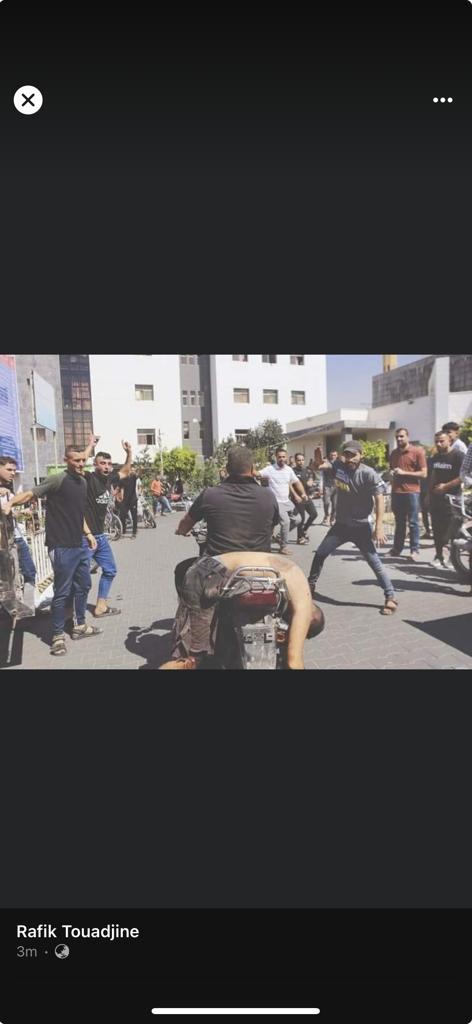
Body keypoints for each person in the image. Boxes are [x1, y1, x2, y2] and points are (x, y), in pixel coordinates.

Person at [160, 445, 320, 669]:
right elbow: (272, 524)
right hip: (264, 572)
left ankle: (191, 643)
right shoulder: (267, 495)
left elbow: (186, 522)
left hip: (217, 573)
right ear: (253, 469)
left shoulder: (210, 494)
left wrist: (181, 530)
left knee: (183, 572)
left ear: (226, 469)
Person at [4, 446, 101, 656]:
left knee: (83, 585)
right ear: (66, 460)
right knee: (62, 591)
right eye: (76, 460)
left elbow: (78, 513)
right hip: (61, 546)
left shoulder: (82, 482)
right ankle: (57, 636)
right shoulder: (57, 479)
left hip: (79, 544)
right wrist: (10, 502)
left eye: (83, 460)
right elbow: (30, 493)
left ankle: (80, 625)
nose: (81, 464)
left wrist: (88, 534)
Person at [162, 550, 325, 671]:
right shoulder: (304, 603)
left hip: (216, 575)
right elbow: (294, 662)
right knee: (192, 659)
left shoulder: (294, 583)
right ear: (309, 621)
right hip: (204, 575)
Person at [308, 442, 398, 615]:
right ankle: (310, 584)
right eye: (347, 455)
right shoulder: (338, 466)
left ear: (361, 455)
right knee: (320, 554)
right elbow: (319, 466)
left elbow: (379, 499)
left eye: (353, 455)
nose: (350, 459)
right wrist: (318, 454)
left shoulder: (368, 473)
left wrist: (379, 527)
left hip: (361, 527)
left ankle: (390, 596)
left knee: (374, 562)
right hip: (341, 526)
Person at [82, 437, 133, 618]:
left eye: (109, 464)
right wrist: (91, 446)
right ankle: (71, 614)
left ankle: (101, 606)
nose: (106, 466)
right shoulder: (89, 478)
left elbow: (125, 471)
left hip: (100, 536)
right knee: (80, 578)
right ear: (95, 465)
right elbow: (78, 466)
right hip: (86, 537)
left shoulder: (110, 479)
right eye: (102, 463)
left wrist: (129, 453)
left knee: (110, 570)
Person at [0, 456, 37, 605]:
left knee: (29, 572)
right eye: (9, 469)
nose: (13, 473)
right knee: (8, 579)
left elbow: (9, 513)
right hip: (4, 542)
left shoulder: (8, 491)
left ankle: (28, 606)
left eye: (14, 470)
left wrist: (21, 512)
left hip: (16, 538)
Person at [388, 428, 427, 562]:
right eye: (397, 437)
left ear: (408, 437)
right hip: (396, 492)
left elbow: (424, 473)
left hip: (412, 492)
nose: (399, 439)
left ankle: (414, 550)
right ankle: (396, 549)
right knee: (399, 522)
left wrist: (404, 473)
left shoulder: (417, 451)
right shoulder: (393, 453)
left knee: (413, 523)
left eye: (401, 436)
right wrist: (391, 473)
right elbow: (391, 469)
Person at [259, 448, 305, 554]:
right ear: (276, 457)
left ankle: (280, 536)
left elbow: (296, 482)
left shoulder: (289, 470)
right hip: (276, 502)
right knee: (286, 522)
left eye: (283, 457)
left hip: (287, 501)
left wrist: (302, 493)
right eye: (279, 457)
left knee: (298, 519)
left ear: (286, 457)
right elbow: (258, 473)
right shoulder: (270, 469)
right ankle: (283, 547)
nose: (282, 459)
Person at [429, 431, 464, 569]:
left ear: (449, 441)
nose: (438, 444)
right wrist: (428, 494)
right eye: (436, 441)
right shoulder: (436, 457)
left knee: (453, 530)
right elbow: (433, 475)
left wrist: (446, 486)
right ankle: (439, 556)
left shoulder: (458, 456)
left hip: (453, 500)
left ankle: (452, 558)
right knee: (437, 529)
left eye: (441, 441)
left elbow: (463, 476)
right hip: (436, 499)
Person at [290, 453, 318, 545]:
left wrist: (312, 485)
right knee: (301, 518)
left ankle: (304, 530)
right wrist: (295, 495)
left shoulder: (308, 471)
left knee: (314, 514)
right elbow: (290, 485)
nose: (301, 462)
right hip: (298, 498)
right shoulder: (292, 471)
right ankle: (299, 538)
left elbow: (312, 481)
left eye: (302, 460)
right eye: (299, 460)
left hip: (307, 497)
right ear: (295, 461)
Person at [118, 466, 140, 538]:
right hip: (125, 501)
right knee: (122, 515)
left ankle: (134, 533)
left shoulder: (133, 477)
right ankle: (123, 531)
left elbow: (138, 474)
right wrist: (120, 497)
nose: (131, 471)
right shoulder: (122, 479)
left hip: (133, 500)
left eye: (133, 470)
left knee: (134, 516)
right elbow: (121, 488)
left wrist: (139, 469)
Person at [320, 449, 338, 526]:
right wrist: (321, 486)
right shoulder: (326, 463)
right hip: (327, 486)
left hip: (336, 487)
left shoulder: (339, 463)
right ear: (329, 455)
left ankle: (332, 518)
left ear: (337, 456)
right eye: (332, 455)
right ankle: (326, 515)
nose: (333, 456)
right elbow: (321, 474)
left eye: (334, 455)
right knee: (326, 503)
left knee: (335, 505)